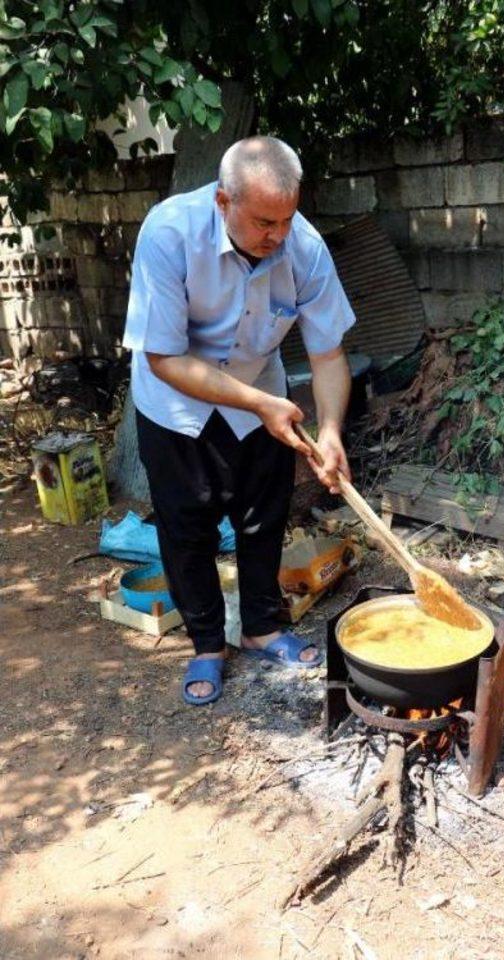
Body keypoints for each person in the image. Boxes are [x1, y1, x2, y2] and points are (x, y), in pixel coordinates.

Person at [123, 136, 355, 706]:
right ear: (224, 202)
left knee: (263, 517)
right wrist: (259, 403)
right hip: (176, 401)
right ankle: (206, 643)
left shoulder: (303, 246)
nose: (277, 235)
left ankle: (261, 627)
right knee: (186, 526)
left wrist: (329, 431)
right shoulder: (170, 233)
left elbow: (327, 354)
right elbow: (164, 357)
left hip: (260, 394)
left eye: (286, 218)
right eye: (263, 222)